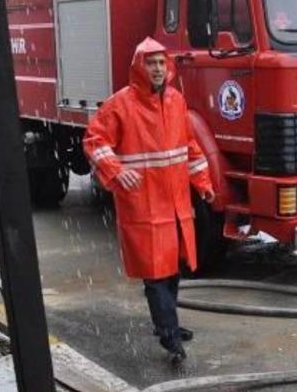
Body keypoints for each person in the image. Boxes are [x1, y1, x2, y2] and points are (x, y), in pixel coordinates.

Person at [84, 38, 215, 367]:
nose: (157, 69)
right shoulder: (120, 104)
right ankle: (169, 335)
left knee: (172, 269)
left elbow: (189, 148)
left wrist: (203, 184)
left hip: (175, 204)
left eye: (161, 63)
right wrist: (116, 170)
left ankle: (167, 324)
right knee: (155, 274)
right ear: (139, 66)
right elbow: (95, 140)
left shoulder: (175, 101)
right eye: (151, 63)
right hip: (144, 205)